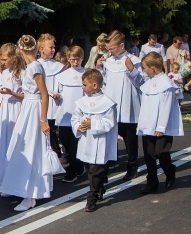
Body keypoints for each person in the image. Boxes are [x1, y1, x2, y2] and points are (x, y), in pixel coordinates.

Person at [0, 35, 61, 211]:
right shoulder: (30, 67)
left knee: (32, 150)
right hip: (28, 109)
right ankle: (16, 185)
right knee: (20, 148)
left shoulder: (35, 67)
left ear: (20, 50)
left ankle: (31, 194)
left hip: (35, 111)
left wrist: (43, 120)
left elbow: (44, 94)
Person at [99, 30, 144, 180]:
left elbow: (141, 84)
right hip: (112, 104)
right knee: (110, 136)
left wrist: (131, 69)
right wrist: (98, 68)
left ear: (122, 45)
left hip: (128, 105)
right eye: (108, 49)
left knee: (129, 138)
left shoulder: (134, 60)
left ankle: (132, 166)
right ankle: (109, 164)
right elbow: (104, 83)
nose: (109, 51)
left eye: (112, 48)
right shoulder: (108, 62)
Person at [137, 52, 184, 194]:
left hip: (161, 127)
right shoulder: (148, 83)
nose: (143, 70)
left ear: (153, 68)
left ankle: (170, 171)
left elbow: (166, 107)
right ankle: (151, 182)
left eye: (144, 67)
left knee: (161, 153)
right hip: (148, 125)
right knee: (149, 155)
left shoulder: (166, 84)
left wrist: (161, 127)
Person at [72, 69, 117, 212]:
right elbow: (74, 117)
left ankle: (92, 198)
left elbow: (110, 123)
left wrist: (93, 124)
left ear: (95, 85)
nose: (82, 87)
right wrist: (79, 126)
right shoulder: (81, 102)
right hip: (86, 141)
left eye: (85, 85)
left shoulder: (108, 103)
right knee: (89, 169)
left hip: (100, 142)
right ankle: (100, 186)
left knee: (95, 171)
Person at [0, 44, 23, 186]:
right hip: (5, 109)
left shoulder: (21, 73)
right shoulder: (2, 74)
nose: (2, 62)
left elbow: (26, 95)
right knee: (3, 140)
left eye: (4, 59)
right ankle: (4, 177)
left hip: (17, 108)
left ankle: (16, 177)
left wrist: (11, 93)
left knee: (14, 141)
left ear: (14, 58)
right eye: (1, 59)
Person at [55, 46, 86, 183]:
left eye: (77, 59)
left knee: (74, 144)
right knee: (64, 139)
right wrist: (57, 96)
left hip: (78, 113)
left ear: (82, 59)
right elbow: (60, 92)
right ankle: (78, 165)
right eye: (72, 59)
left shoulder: (86, 74)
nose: (75, 62)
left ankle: (72, 170)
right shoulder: (62, 75)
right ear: (68, 59)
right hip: (65, 112)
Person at [38, 33, 65, 155]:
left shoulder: (59, 66)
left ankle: (57, 153)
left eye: (54, 47)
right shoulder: (35, 65)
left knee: (54, 130)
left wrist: (59, 93)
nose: (53, 50)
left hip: (56, 103)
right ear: (41, 49)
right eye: (51, 47)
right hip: (41, 102)